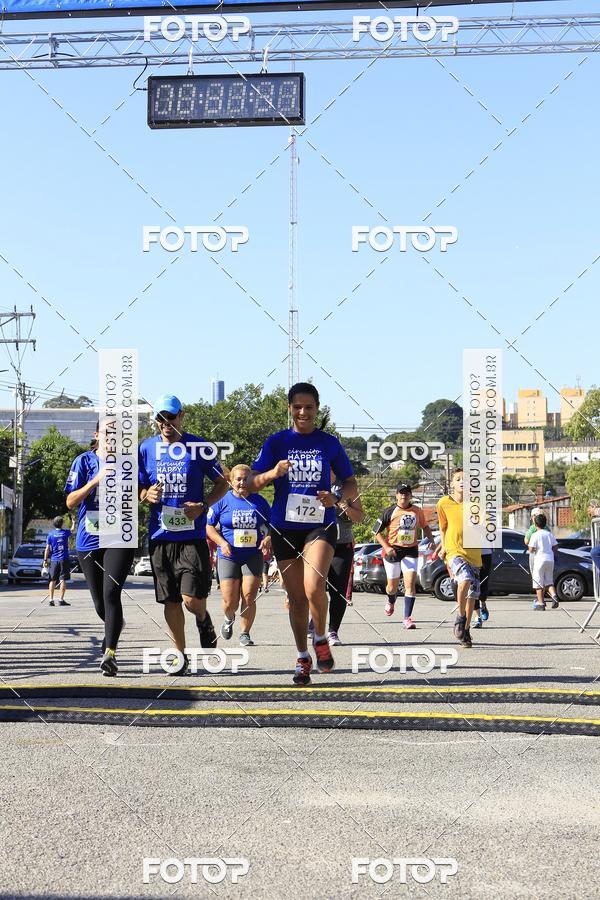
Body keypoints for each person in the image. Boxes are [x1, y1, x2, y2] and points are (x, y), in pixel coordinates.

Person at [250, 382, 360, 685]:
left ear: (317, 409)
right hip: (284, 526)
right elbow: (250, 483)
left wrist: (338, 500)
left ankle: (321, 637)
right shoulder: (277, 442)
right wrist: (273, 473)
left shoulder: (329, 443)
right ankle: (302, 657)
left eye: (309, 407)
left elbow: (350, 481)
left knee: (314, 587)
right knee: (296, 598)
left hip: (319, 523)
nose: (303, 412)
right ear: (289, 409)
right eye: (297, 407)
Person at [138, 395, 229, 675]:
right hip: (160, 536)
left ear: (182, 417)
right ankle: (180, 655)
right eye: (161, 419)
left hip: (191, 536)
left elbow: (223, 483)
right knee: (171, 600)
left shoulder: (199, 447)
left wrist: (203, 505)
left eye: (172, 417)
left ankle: (203, 618)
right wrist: (146, 494)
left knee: (190, 600)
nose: (166, 423)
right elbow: (139, 488)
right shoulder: (146, 449)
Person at [65, 422, 135, 676]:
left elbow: (140, 492)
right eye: (108, 432)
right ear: (97, 435)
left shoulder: (128, 463)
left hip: (119, 538)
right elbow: (70, 502)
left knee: (111, 592)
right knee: (99, 603)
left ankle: (110, 653)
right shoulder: (83, 462)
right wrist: (96, 480)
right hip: (89, 540)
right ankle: (116, 624)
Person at [206, 464, 271, 647]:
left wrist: (268, 539)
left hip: (252, 554)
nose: (242, 482)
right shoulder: (222, 500)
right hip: (229, 554)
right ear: (231, 481)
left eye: (245, 479)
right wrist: (222, 543)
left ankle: (245, 633)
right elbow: (208, 526)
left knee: (249, 596)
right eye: (238, 479)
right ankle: (228, 618)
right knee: (229, 600)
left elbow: (273, 525)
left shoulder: (260, 502)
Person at [374, 483, 435, 629]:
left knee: (410, 584)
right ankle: (391, 600)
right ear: (396, 495)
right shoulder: (389, 511)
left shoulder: (417, 511)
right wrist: (387, 547)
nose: (404, 495)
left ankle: (407, 618)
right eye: (401, 493)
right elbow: (375, 532)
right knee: (392, 587)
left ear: (410, 496)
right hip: (393, 550)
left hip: (411, 550)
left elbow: (425, 526)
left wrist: (431, 539)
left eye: (406, 493)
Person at [436, 469, 482, 648]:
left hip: (474, 554)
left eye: (466, 479)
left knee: (472, 595)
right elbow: (443, 527)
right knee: (465, 579)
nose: (462, 481)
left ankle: (466, 630)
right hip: (455, 551)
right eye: (458, 479)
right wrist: (444, 547)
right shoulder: (443, 503)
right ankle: (460, 617)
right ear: (452, 484)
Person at [326, 480, 364, 645]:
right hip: (317, 543)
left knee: (338, 591)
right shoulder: (314, 483)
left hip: (342, 545)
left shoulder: (347, 489)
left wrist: (343, 505)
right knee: (314, 589)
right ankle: (315, 623)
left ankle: (333, 631)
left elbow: (360, 517)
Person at [528, 513, 559, 610]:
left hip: (539, 560)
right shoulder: (549, 534)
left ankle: (541, 603)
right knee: (549, 581)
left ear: (535, 524)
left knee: (538, 583)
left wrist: (532, 550)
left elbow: (531, 549)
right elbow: (555, 547)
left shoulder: (535, 535)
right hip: (550, 559)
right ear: (545, 524)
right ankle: (554, 595)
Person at [43, 515, 72, 607]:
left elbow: (47, 548)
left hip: (54, 559)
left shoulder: (50, 534)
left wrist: (45, 559)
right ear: (62, 524)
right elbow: (72, 529)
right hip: (64, 559)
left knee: (52, 580)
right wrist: (74, 523)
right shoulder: (65, 533)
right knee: (63, 579)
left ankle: (51, 600)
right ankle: (61, 599)